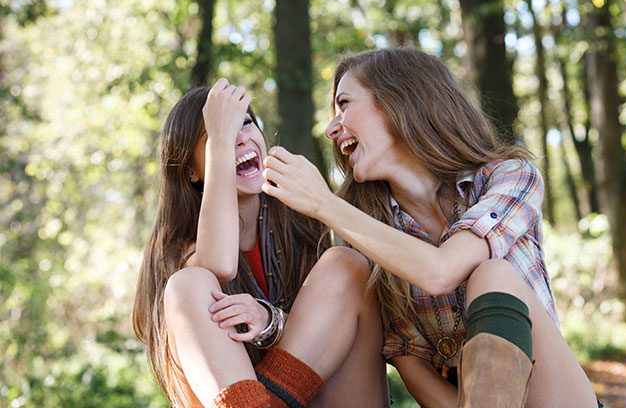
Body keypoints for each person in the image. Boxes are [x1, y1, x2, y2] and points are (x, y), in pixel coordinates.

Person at [262, 48, 601, 407]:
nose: (332, 129)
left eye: (344, 104)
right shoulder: (371, 233)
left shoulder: (510, 177)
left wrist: (324, 203)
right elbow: (410, 364)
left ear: (400, 100)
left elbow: (442, 271)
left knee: (493, 274)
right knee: (345, 263)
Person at [132, 78, 389, 408]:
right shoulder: (174, 249)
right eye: (217, 136)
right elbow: (218, 267)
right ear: (191, 172)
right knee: (190, 283)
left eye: (246, 123)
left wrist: (271, 322)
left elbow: (330, 334)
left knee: (347, 264)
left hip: (312, 395)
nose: (239, 139)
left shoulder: (301, 220)